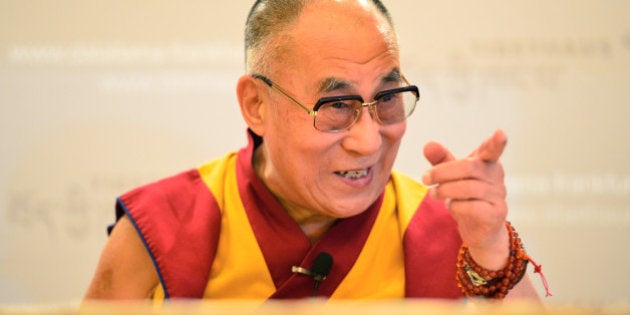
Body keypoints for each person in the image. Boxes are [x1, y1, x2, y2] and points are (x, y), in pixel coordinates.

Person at [84, 0, 545, 301]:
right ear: (256, 105)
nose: (368, 142)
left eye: (386, 99)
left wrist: (490, 248)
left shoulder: (445, 227)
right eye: (335, 105)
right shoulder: (164, 228)